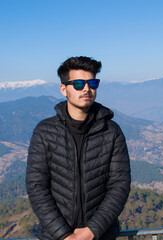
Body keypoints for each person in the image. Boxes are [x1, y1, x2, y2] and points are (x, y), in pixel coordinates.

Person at [26, 56, 131, 240]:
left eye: (92, 82)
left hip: (101, 235)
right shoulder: (44, 132)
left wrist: (91, 231)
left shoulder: (111, 132)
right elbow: (36, 187)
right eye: (78, 84)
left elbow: (119, 186)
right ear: (63, 89)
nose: (87, 89)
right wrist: (64, 235)